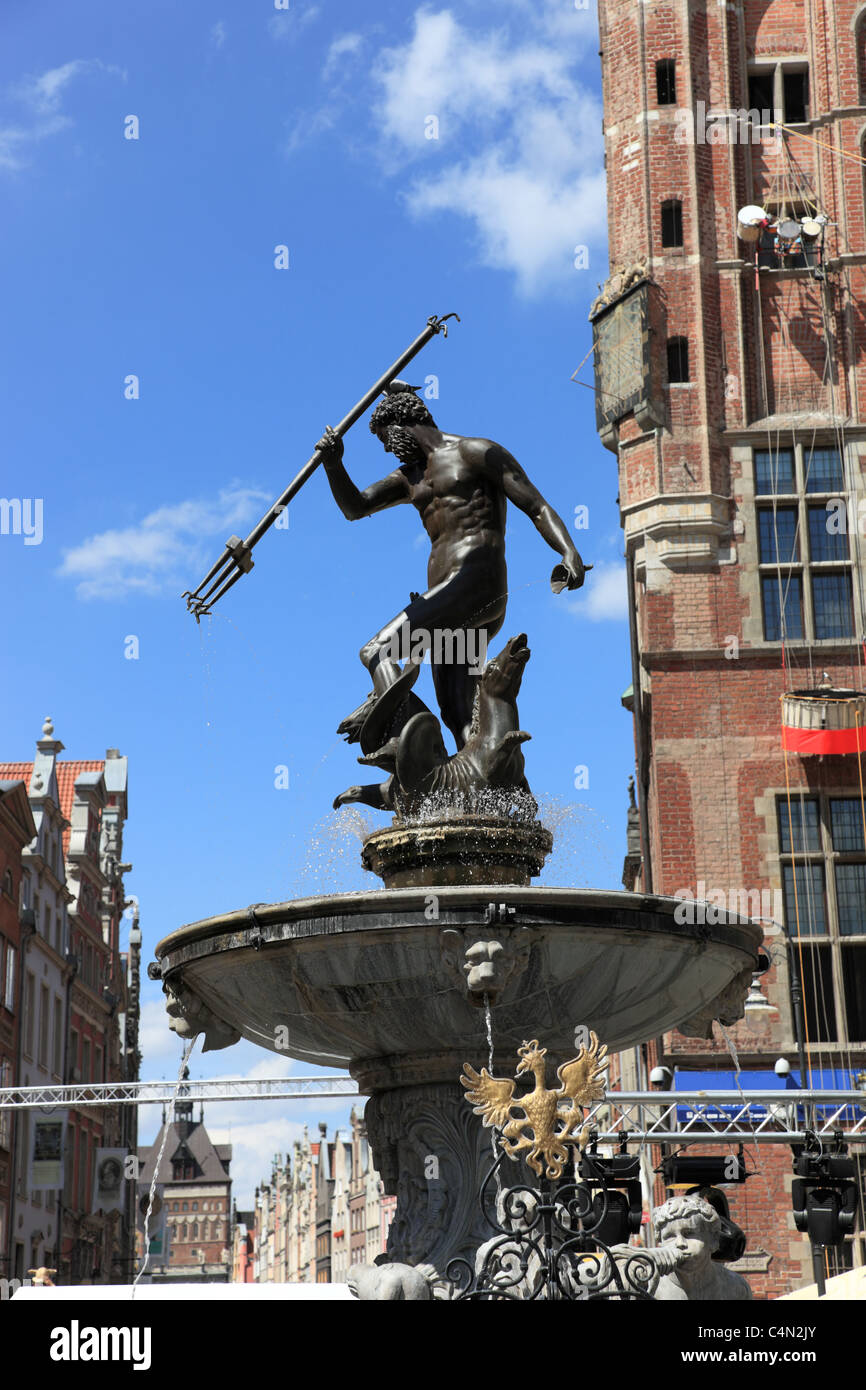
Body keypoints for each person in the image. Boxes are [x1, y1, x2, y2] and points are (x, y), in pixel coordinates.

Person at [317, 383, 589, 750]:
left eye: (385, 438)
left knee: (377, 651)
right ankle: (476, 782)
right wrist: (334, 465)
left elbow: (536, 505)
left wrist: (567, 550)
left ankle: (402, 740)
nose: (385, 448)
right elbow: (356, 507)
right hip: (449, 606)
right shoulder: (409, 478)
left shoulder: (474, 451)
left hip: (475, 581)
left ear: (402, 421)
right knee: (459, 714)